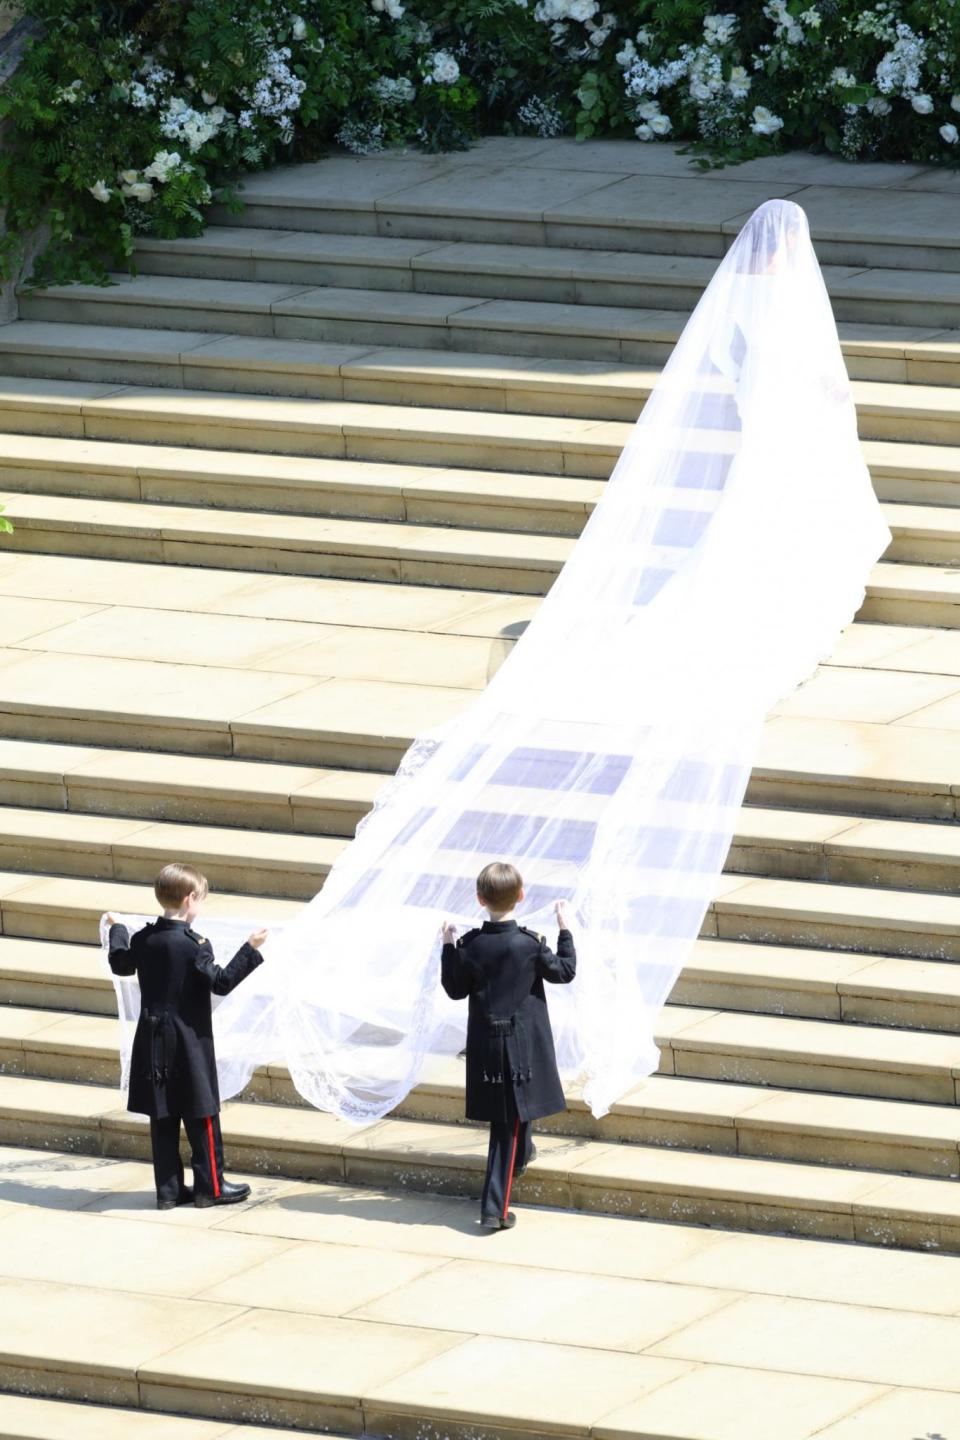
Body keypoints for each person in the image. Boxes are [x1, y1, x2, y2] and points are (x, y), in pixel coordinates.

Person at [105, 862, 267, 1211]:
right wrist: (250, 948)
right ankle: (212, 1187)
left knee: (162, 1114)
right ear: (190, 898)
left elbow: (120, 963)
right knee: (201, 1112)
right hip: (189, 1041)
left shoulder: (144, 938)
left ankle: (169, 1191)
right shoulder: (195, 945)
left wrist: (118, 928)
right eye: (201, 899)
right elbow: (221, 982)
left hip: (152, 1039)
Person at [441, 861, 576, 1231]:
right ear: (521, 896)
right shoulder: (529, 944)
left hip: (488, 1046)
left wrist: (449, 946)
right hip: (521, 1046)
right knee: (505, 1125)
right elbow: (564, 971)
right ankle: (494, 1209)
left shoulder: (470, 945)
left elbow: (454, 989)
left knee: (517, 1110)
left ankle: (520, 1157)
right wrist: (565, 930)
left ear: (479, 899)